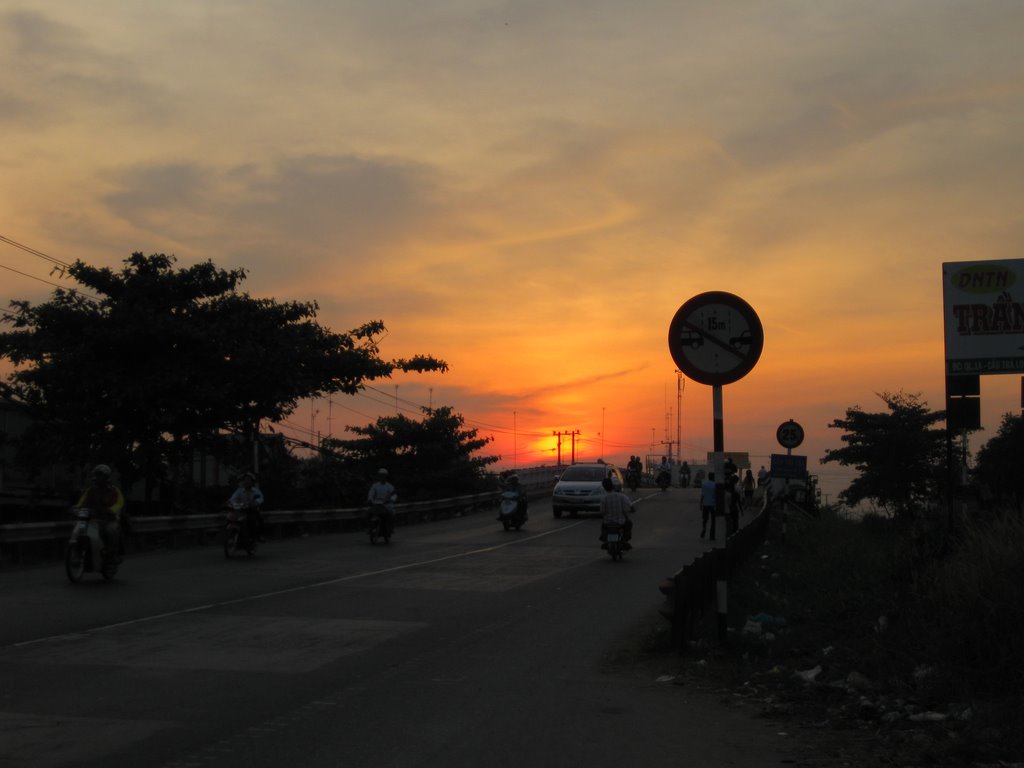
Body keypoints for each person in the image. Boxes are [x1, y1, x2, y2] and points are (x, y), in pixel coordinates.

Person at [75, 464, 126, 561]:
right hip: (92, 518)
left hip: (108, 519)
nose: (98, 477)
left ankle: (112, 554)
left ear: (106, 476)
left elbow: (120, 503)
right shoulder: (91, 490)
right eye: (96, 475)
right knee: (80, 530)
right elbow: (82, 501)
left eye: (100, 475)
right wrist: (76, 508)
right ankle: (79, 551)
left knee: (111, 531)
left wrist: (111, 510)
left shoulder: (114, 490)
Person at [227, 472, 265, 541]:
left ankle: (257, 536)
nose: (246, 482)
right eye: (245, 480)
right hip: (240, 510)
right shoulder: (239, 491)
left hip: (252, 510)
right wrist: (230, 502)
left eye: (248, 480)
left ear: (252, 482)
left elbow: (260, 498)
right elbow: (233, 498)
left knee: (255, 520)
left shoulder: (255, 490)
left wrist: (256, 502)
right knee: (230, 518)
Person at [599, 477, 634, 548]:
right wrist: (631, 509)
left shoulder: (604, 498)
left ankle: (604, 539)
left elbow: (602, 511)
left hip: (608, 522)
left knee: (603, 526)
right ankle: (624, 539)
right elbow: (628, 506)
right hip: (620, 521)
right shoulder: (621, 496)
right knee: (629, 524)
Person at [367, 468, 397, 537]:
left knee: (391, 515)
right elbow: (371, 493)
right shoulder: (375, 485)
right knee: (368, 514)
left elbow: (394, 494)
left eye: (383, 475)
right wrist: (370, 499)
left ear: (386, 476)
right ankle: (370, 528)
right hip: (376, 504)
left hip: (387, 505)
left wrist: (391, 499)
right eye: (380, 475)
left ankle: (390, 529)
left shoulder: (390, 486)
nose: (382, 477)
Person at [699, 471, 716, 540]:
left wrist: (700, 504)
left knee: (705, 519)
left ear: (708, 477)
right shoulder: (715, 485)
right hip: (713, 504)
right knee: (713, 520)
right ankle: (712, 535)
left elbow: (702, 495)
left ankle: (704, 528)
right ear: (713, 477)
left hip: (705, 504)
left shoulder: (704, 484)